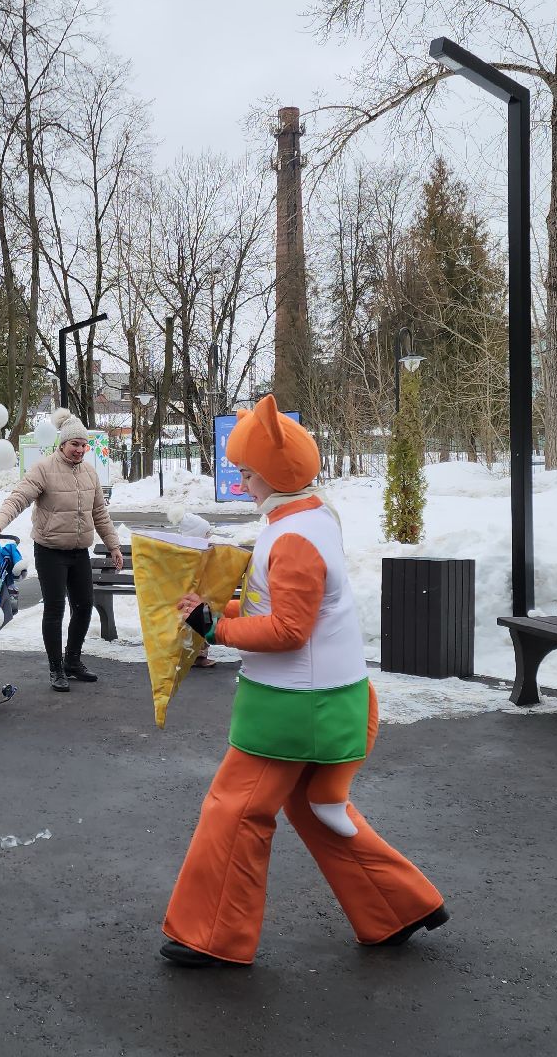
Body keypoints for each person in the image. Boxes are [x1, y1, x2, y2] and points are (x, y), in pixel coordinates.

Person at [159, 395, 448, 968]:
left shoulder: (291, 536)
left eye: (247, 473)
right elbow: (287, 606)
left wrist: (215, 626)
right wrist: (227, 608)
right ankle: (398, 906)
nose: (244, 484)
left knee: (234, 812)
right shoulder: (309, 518)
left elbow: (290, 629)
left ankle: (212, 935)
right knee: (315, 811)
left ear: (272, 473)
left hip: (293, 709)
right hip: (322, 702)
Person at [0, 408, 123, 692]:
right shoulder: (44, 469)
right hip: (50, 550)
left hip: (78, 551)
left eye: (83, 445)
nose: (80, 450)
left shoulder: (89, 473)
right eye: (75, 444)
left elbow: (100, 513)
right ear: (62, 444)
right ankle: (55, 668)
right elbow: (19, 498)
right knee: (55, 609)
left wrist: (114, 546)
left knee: (84, 606)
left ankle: (73, 660)